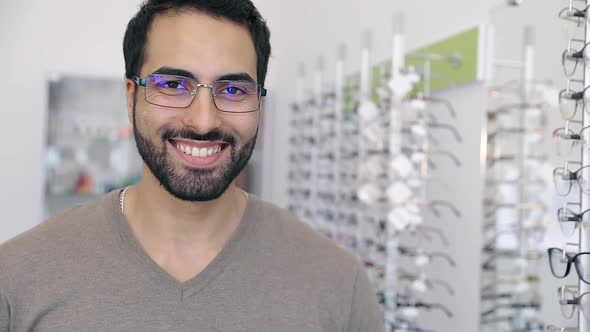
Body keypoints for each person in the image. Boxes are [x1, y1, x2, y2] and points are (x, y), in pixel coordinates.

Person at [0, 0, 384, 330]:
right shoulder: (18, 278)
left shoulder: (337, 284)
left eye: (233, 91)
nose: (203, 122)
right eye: (173, 85)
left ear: (260, 106)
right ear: (132, 97)